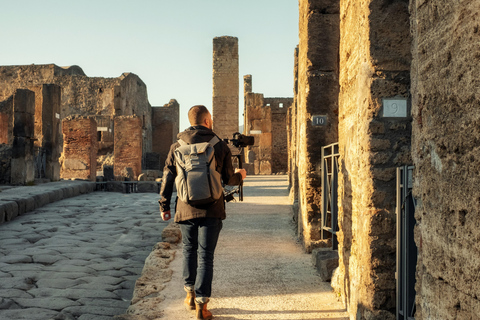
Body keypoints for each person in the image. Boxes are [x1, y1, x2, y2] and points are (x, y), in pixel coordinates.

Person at [159, 105, 246, 320]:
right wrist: (241, 174)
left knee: (189, 250)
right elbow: (228, 180)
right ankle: (202, 306)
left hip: (185, 207)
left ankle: (189, 295)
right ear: (207, 120)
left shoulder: (176, 146)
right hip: (212, 208)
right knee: (206, 256)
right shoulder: (219, 145)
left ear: (190, 121)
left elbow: (168, 178)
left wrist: (164, 206)